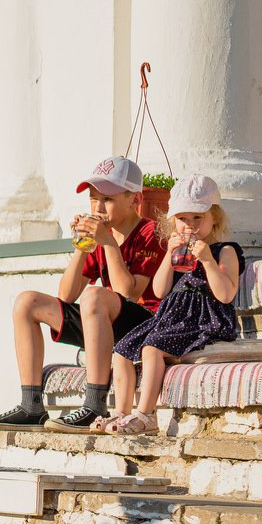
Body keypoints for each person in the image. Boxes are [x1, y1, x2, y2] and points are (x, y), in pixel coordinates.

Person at [0, 156, 165, 432]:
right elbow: (65, 295)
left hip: (144, 326)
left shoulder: (151, 232)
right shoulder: (101, 236)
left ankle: (95, 404)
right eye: (93, 198)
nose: (98, 207)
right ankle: (31, 406)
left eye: (108, 199)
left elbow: (128, 293)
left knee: (95, 296)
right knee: (27, 302)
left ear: (134, 200)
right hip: (104, 325)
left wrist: (108, 242)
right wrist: (81, 245)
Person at [101, 176, 245, 435]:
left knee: (151, 349)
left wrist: (208, 261)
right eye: (182, 219)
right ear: (173, 222)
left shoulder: (224, 251)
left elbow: (225, 294)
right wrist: (168, 256)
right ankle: (121, 413)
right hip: (170, 318)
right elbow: (159, 290)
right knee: (121, 350)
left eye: (197, 218)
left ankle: (145, 416)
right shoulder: (176, 251)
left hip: (203, 318)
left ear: (215, 219)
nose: (189, 226)